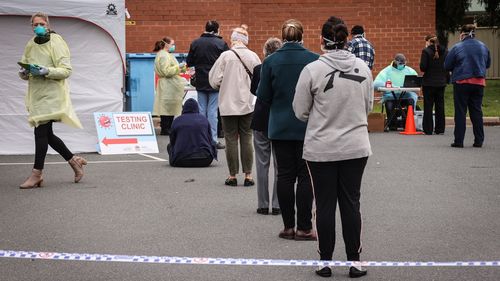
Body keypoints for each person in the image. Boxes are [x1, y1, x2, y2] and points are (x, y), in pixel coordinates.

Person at [293, 21, 373, 278]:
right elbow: (368, 106)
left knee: (324, 205)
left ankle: (325, 261)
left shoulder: (312, 70)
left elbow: (300, 111)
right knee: (351, 203)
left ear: (322, 40)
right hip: (355, 145)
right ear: (346, 40)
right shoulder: (362, 68)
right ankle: (355, 260)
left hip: (322, 147)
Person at [256, 19, 319, 240]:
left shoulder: (271, 61)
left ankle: (288, 226)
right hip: (306, 126)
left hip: (280, 125)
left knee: (284, 175)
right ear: (302, 35)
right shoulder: (314, 60)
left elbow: (263, 96)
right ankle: (304, 227)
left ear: (282, 36)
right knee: (305, 176)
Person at [18, 12, 87, 189]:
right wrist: (24, 73)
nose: (38, 27)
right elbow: (25, 65)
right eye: (34, 24)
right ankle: (74, 161)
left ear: (48, 24)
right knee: (47, 135)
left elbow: (66, 70)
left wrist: (46, 71)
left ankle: (37, 174)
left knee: (40, 132)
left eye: (41, 23)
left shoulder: (57, 41)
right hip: (36, 94)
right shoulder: (30, 44)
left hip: (52, 94)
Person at [209, 24, 261, 186]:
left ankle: (232, 175)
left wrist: (223, 86)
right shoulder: (254, 56)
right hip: (248, 103)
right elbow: (260, 79)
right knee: (247, 137)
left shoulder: (225, 56)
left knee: (231, 138)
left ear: (233, 40)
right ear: (245, 41)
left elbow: (214, 80)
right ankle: (248, 175)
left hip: (228, 103)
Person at [250, 37, 282, 216]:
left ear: (265, 51)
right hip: (278, 118)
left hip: (261, 116)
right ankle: (277, 204)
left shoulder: (258, 69)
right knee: (280, 164)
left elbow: (254, 90)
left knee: (262, 163)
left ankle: (262, 203)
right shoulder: (283, 69)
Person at [445, 24, 491, 148]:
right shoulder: (483, 46)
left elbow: (447, 65)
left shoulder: (457, 47)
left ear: (462, 34)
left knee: (460, 112)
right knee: (476, 111)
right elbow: (487, 64)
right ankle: (478, 141)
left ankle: (459, 141)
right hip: (479, 82)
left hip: (462, 82)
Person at [187, 20, 229, 149]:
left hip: (200, 80)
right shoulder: (221, 43)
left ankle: (200, 138)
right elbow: (227, 62)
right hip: (215, 81)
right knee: (212, 111)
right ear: (217, 30)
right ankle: (213, 139)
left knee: (201, 110)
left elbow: (189, 61)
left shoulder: (195, 43)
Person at [373, 53, 418, 130]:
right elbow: (375, 84)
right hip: (390, 96)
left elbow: (416, 82)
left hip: (406, 95)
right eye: (400, 63)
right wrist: (390, 86)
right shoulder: (386, 71)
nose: (402, 65)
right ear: (395, 62)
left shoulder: (409, 70)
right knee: (389, 103)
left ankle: (407, 123)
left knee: (411, 100)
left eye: (404, 64)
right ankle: (392, 124)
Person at [167, 98, 217, 167]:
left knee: (169, 146)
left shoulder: (177, 120)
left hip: (181, 160)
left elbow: (172, 140)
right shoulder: (204, 119)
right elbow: (210, 139)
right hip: (205, 159)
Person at [152, 37, 185, 136]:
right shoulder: (164, 56)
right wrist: (178, 67)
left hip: (169, 84)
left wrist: (181, 68)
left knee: (168, 106)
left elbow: (171, 69)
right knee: (167, 107)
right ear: (166, 44)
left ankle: (167, 127)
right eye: (172, 44)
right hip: (168, 84)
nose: (173, 46)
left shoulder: (166, 55)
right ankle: (166, 128)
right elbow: (167, 71)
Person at [419, 34, 448, 135]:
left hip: (429, 83)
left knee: (428, 106)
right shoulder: (445, 51)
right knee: (440, 106)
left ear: (428, 41)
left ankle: (428, 129)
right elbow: (447, 66)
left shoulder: (426, 51)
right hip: (441, 82)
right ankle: (440, 129)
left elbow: (423, 67)